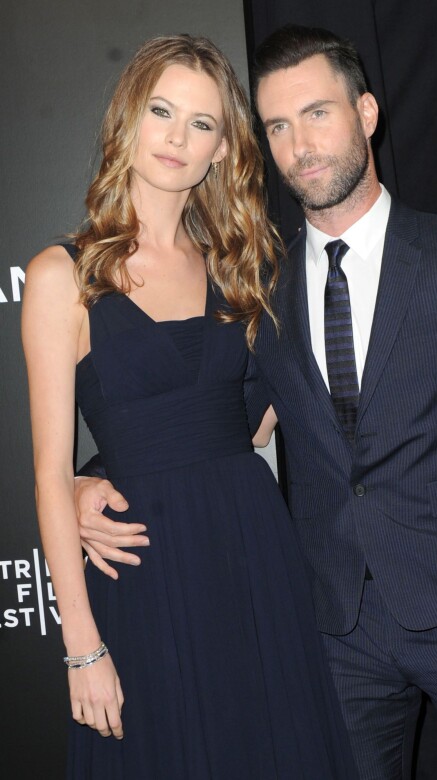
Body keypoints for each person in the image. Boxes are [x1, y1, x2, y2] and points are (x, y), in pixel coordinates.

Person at [73, 25, 437, 779]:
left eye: (318, 114)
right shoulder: (257, 286)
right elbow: (214, 416)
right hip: (333, 634)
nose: (300, 143)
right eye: (277, 125)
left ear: (366, 114)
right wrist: (93, 473)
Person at [21, 33, 359, 779]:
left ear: (221, 151)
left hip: (252, 554)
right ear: (128, 120)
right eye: (162, 111)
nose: (177, 138)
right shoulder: (61, 276)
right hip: (141, 569)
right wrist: (82, 648)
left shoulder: (241, 270)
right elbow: (48, 472)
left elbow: (263, 417)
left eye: (202, 124)